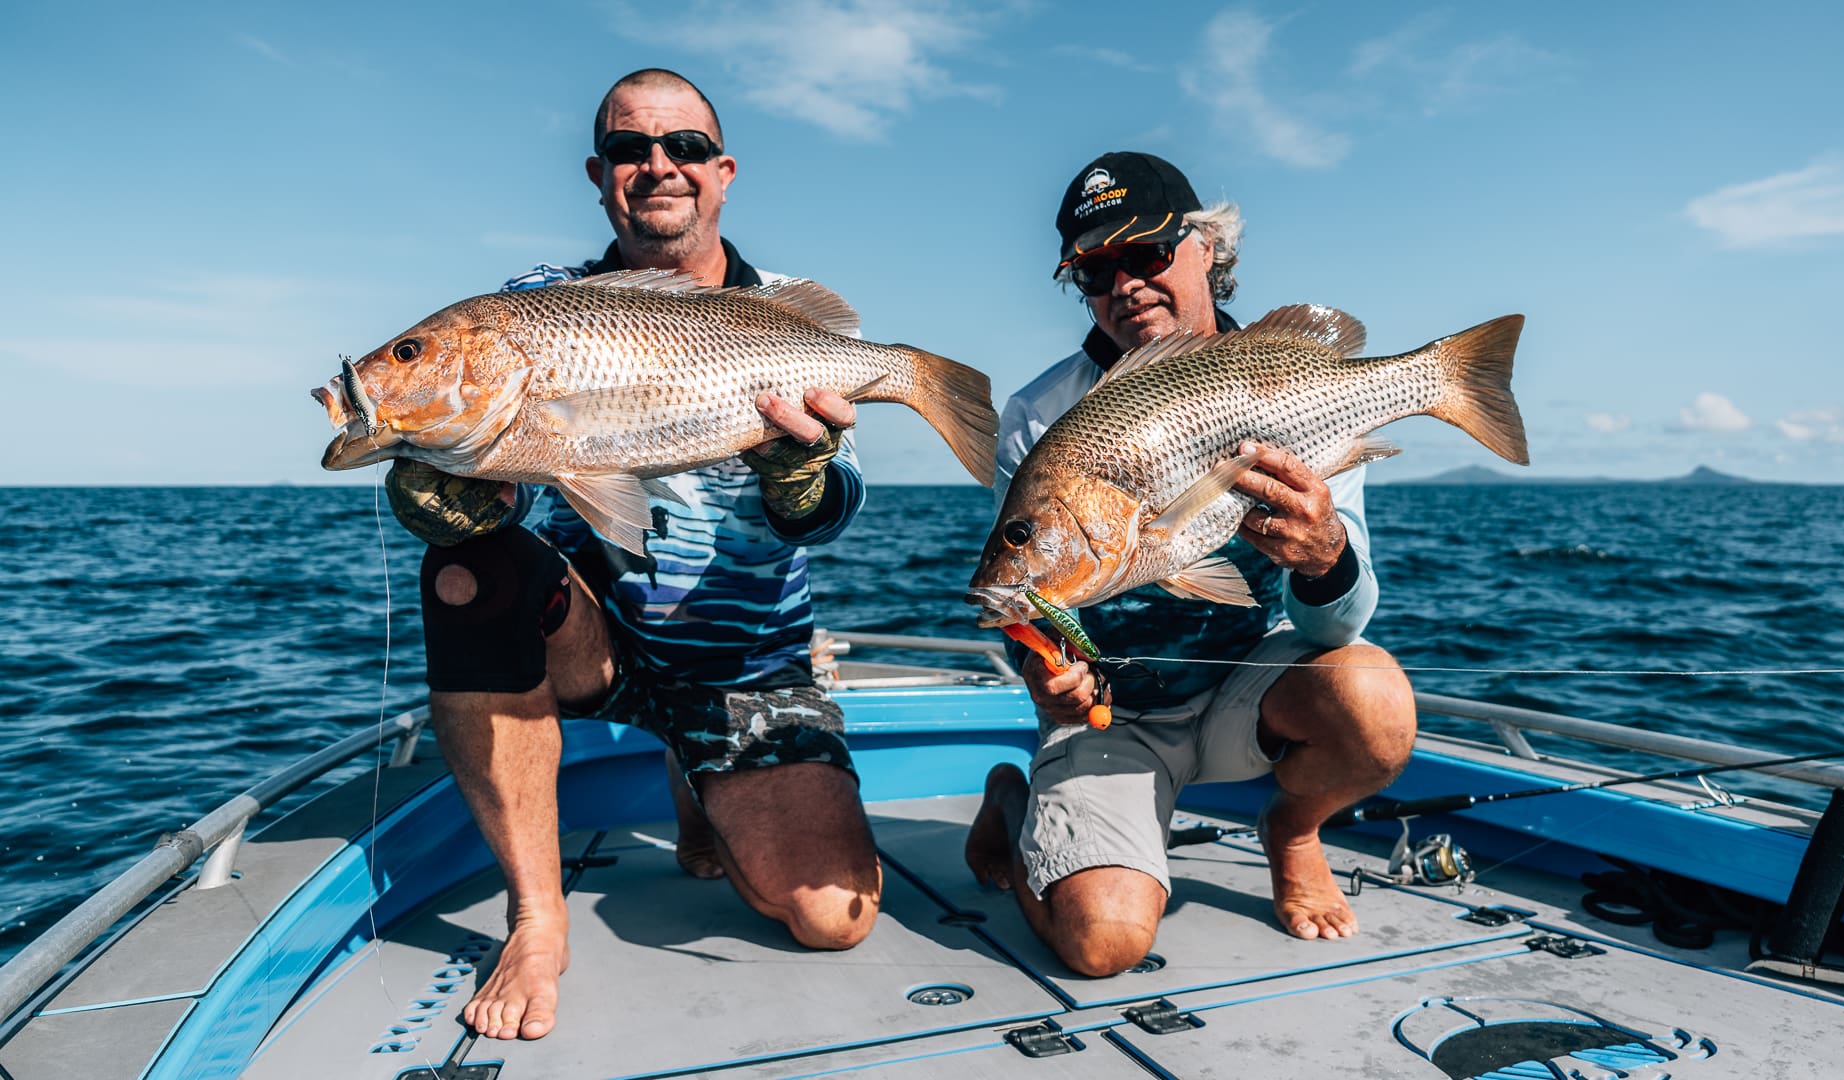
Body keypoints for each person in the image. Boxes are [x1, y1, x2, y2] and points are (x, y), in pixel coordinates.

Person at [385, 68, 881, 1042]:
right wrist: (442, 493)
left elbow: (828, 515)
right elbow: (499, 481)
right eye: (630, 148)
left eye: (686, 147)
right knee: (468, 571)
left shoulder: (788, 312)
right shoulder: (537, 305)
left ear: (724, 171)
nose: (659, 166)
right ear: (598, 173)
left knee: (833, 918)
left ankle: (699, 776)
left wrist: (797, 477)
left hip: (749, 668)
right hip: (594, 645)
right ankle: (536, 917)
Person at [964, 151, 1417, 977]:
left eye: (1145, 254)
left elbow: (1340, 623)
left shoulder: (1298, 383)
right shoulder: (1041, 412)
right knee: (1101, 945)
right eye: (1095, 270)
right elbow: (1027, 598)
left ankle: (1295, 829)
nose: (1124, 283)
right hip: (1116, 715)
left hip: (1255, 692)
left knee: (1376, 697)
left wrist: (1324, 555)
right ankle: (1015, 796)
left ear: (1207, 247)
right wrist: (1048, 669)